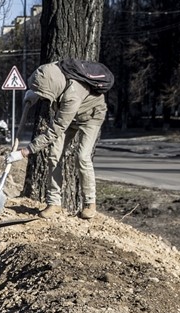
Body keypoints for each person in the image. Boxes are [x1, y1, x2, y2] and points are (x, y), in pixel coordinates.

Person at [12, 61, 109, 220]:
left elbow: (55, 131)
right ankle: (54, 203)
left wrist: (26, 151)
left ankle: (90, 204)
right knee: (54, 155)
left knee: (82, 157)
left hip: (91, 116)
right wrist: (34, 94)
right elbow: (46, 84)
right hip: (71, 118)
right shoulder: (55, 73)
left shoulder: (72, 95)